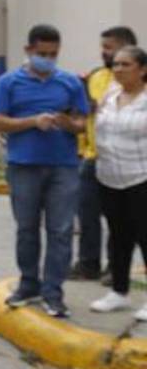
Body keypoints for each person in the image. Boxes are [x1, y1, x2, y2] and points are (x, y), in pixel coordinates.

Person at [0, 24, 89, 318]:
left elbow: (82, 123)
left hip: (64, 166)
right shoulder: (9, 83)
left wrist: (67, 123)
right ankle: (29, 284)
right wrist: (33, 122)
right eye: (42, 53)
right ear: (29, 51)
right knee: (27, 229)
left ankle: (53, 293)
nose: (48, 58)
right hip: (24, 166)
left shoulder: (70, 83)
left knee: (61, 231)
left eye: (53, 54)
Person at [72, 26, 138, 281]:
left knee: (120, 219)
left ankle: (116, 268)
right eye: (103, 47)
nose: (103, 53)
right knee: (86, 213)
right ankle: (88, 264)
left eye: (108, 47)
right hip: (92, 157)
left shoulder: (139, 80)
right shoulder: (97, 77)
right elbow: (85, 113)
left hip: (125, 161)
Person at [88, 46, 147, 319]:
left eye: (126, 64)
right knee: (118, 237)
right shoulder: (110, 96)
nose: (118, 69)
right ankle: (119, 292)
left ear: (142, 69)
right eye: (116, 64)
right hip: (109, 176)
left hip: (141, 177)